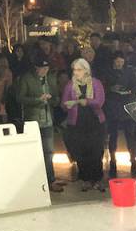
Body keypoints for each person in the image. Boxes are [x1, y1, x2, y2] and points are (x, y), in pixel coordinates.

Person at [15, 52, 64, 192]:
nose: (44, 71)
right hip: (33, 120)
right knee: (34, 152)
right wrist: (38, 100)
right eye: (41, 69)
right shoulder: (26, 79)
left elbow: (56, 97)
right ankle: (34, 180)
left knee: (49, 151)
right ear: (35, 68)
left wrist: (51, 99)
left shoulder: (50, 78)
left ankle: (50, 180)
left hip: (48, 119)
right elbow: (20, 98)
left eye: (46, 68)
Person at [62, 58, 107, 192]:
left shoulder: (96, 83)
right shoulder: (70, 85)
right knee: (81, 152)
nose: (76, 72)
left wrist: (86, 102)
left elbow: (100, 101)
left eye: (79, 70)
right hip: (77, 123)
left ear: (86, 70)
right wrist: (68, 104)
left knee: (96, 151)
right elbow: (63, 103)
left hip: (95, 122)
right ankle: (85, 179)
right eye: (74, 70)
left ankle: (97, 179)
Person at [103, 52, 136, 178]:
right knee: (113, 136)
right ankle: (113, 161)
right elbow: (103, 87)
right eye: (117, 62)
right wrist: (111, 89)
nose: (120, 64)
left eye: (121, 62)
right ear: (114, 61)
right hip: (113, 107)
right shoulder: (108, 72)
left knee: (130, 135)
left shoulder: (129, 72)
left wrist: (129, 92)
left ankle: (133, 160)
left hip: (126, 106)